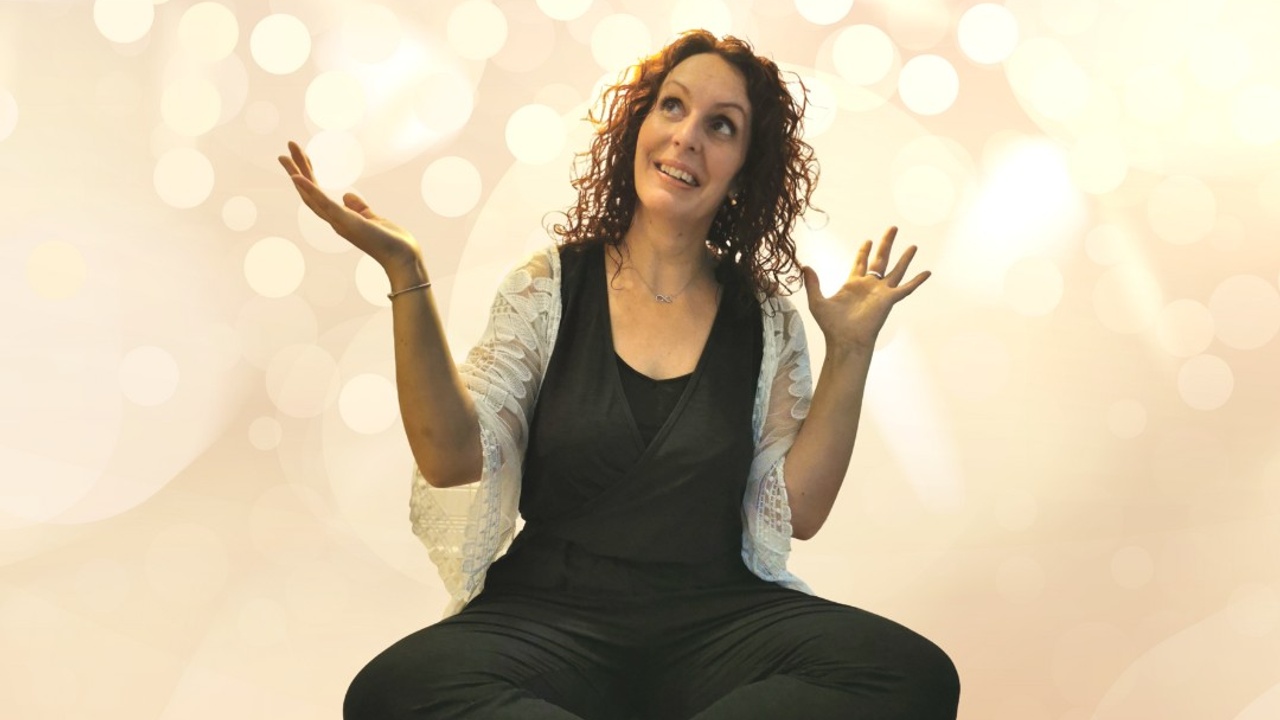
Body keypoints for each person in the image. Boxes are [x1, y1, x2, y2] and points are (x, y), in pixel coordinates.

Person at [280, 29, 959, 720]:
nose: (687, 136)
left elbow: (800, 511)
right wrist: (406, 271)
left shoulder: (765, 320)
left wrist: (850, 350)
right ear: (639, 125)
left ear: (744, 172)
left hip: (714, 622)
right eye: (673, 106)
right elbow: (450, 457)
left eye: (721, 126)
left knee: (908, 674)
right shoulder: (547, 288)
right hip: (548, 618)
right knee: (390, 693)